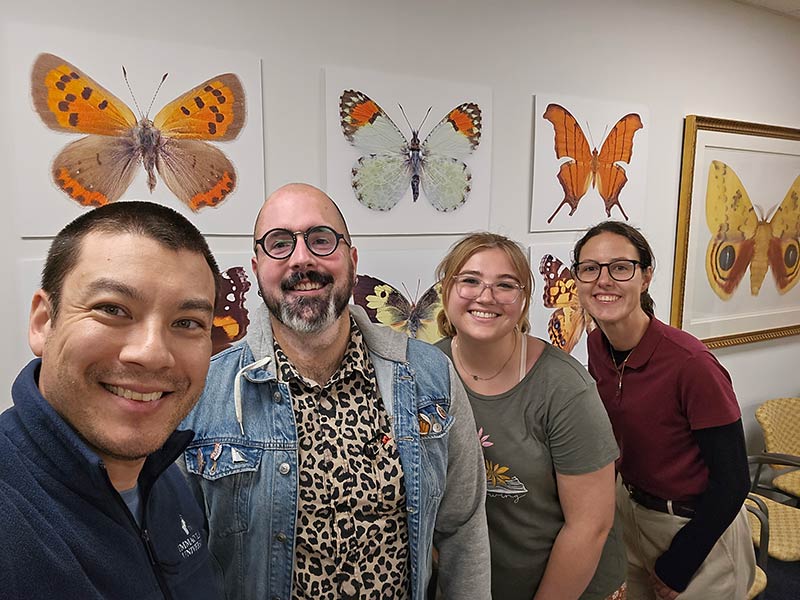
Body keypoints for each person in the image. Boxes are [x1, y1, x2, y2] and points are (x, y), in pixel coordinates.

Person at [180, 183, 490, 600]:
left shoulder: (430, 376)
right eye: (279, 243)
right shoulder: (205, 392)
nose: (302, 258)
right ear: (256, 269)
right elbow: (178, 553)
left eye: (321, 240)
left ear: (353, 261)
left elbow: (463, 528)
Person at [0, 201, 224, 599]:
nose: (152, 353)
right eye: (112, 309)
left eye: (187, 323)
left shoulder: (166, 477)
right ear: (43, 322)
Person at [434, 232, 627, 600]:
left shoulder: (563, 387)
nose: (485, 296)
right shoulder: (425, 371)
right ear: (446, 290)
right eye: (470, 280)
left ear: (523, 302)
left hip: (570, 587)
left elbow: (589, 526)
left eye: (505, 285)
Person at [571, 221, 755, 600]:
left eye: (620, 267)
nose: (603, 280)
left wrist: (680, 563)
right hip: (632, 511)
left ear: (646, 277)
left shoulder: (691, 363)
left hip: (696, 526)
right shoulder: (595, 346)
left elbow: (734, 481)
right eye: (590, 268)